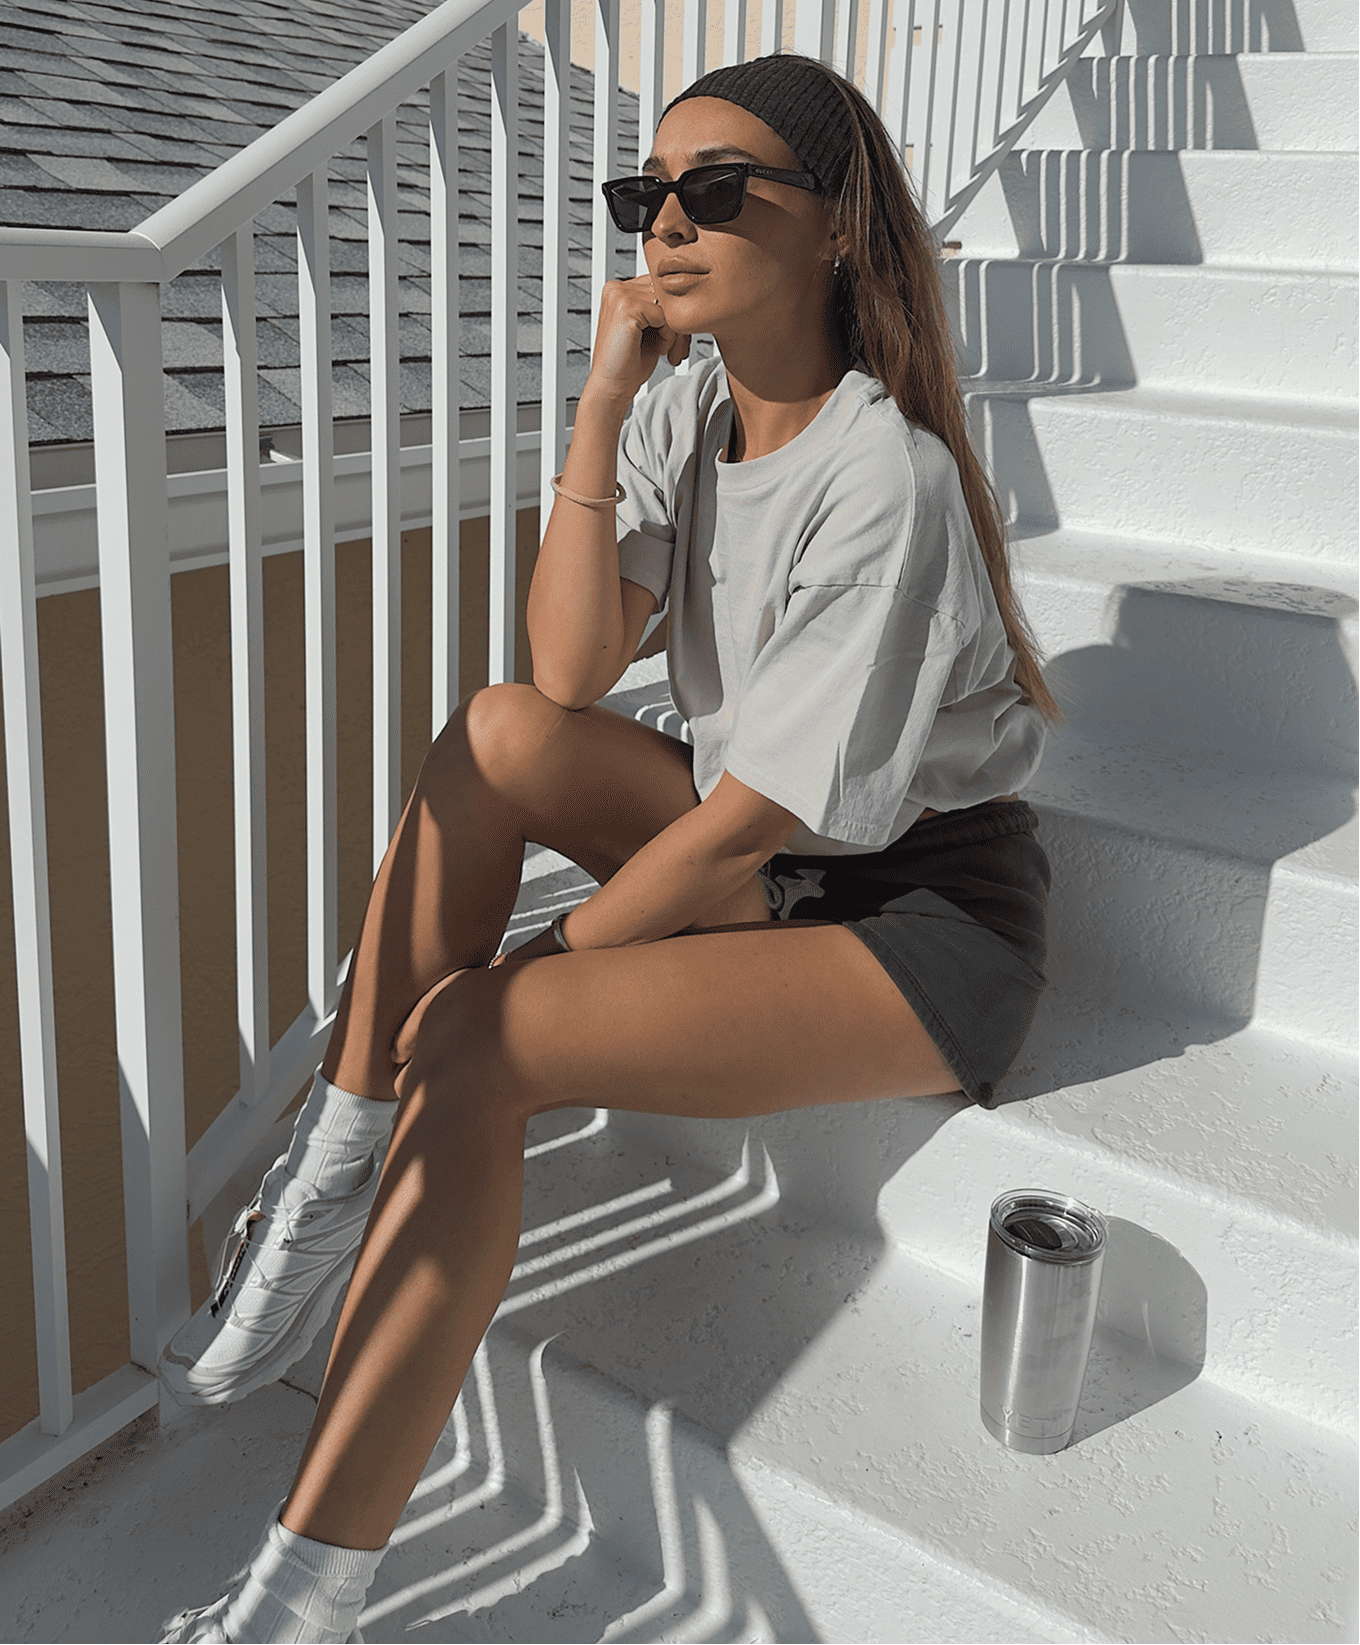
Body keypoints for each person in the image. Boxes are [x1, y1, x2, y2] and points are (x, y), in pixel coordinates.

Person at [158, 50, 1056, 1644]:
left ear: (837, 225)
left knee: (497, 1032)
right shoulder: (693, 405)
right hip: (767, 843)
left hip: (914, 914)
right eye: (646, 197)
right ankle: (327, 1176)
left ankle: (298, 1604)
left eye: (717, 192)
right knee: (496, 729)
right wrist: (597, 402)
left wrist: (532, 969)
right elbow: (568, 671)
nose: (667, 227)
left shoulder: (884, 476)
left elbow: (733, 846)